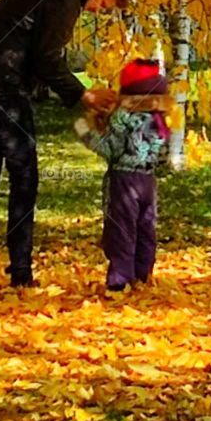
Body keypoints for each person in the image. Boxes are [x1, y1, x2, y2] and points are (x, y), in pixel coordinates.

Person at [0, 0, 130, 290]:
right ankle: (20, 275)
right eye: (104, 5)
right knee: (24, 177)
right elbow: (46, 58)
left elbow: (33, 51)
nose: (97, 12)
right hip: (2, 87)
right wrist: (84, 95)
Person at [73, 58, 170, 292]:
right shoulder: (159, 120)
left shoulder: (123, 117)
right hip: (148, 181)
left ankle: (119, 280)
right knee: (146, 227)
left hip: (125, 181)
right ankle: (142, 274)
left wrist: (85, 132)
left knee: (122, 229)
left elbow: (110, 149)